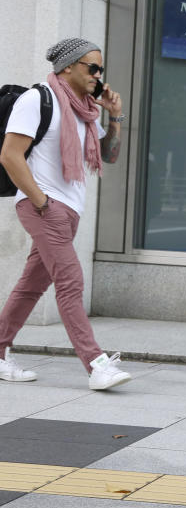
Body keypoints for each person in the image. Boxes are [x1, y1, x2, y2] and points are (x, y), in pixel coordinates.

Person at [0, 38, 131, 390]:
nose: (98, 75)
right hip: (44, 206)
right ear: (69, 66)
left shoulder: (84, 109)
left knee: (31, 286)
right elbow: (10, 155)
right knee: (70, 281)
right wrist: (41, 201)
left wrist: (114, 115)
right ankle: (97, 364)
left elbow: (110, 155)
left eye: (100, 69)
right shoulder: (36, 99)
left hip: (68, 210)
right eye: (92, 67)